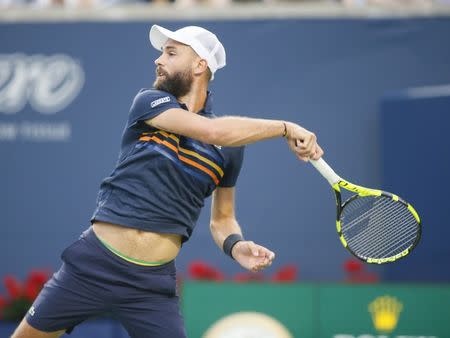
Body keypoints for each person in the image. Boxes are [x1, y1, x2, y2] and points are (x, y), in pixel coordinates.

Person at [12, 25, 323, 338]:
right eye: (161, 52)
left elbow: (223, 219)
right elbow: (213, 132)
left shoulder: (230, 149)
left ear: (200, 64)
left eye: (171, 52)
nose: (158, 60)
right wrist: (285, 127)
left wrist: (236, 245)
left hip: (150, 286)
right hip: (93, 265)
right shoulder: (149, 102)